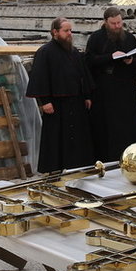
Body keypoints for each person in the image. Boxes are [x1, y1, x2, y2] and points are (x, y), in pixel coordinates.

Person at [26, 17, 94, 173]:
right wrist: (45, 101)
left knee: (77, 137)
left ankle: (76, 168)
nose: (70, 33)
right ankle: (54, 170)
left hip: (76, 102)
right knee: (56, 138)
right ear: (55, 32)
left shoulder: (74, 52)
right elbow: (40, 78)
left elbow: (82, 75)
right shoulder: (45, 52)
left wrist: (86, 96)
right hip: (56, 104)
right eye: (66, 31)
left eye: (70, 30)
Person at [85, 7, 136, 162]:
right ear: (106, 22)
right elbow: (89, 61)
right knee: (106, 127)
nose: (117, 26)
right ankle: (106, 159)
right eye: (113, 24)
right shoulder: (96, 38)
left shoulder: (129, 38)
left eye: (119, 23)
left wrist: (131, 61)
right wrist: (110, 57)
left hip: (126, 89)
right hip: (105, 90)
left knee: (127, 127)